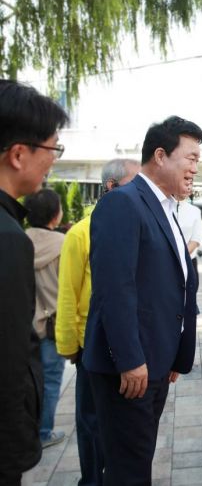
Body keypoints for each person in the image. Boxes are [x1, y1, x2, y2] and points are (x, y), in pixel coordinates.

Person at [83, 116, 202, 484]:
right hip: (130, 369)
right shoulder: (123, 203)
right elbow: (115, 288)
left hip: (155, 363)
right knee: (129, 470)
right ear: (160, 155)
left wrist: (172, 354)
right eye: (191, 158)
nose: (195, 169)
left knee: (135, 462)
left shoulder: (168, 208)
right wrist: (130, 359)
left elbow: (172, 285)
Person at [56, 158, 140, 486]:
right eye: (134, 185)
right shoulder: (80, 233)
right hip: (89, 348)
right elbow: (68, 294)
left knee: (121, 428)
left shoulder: (136, 228)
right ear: (112, 188)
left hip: (127, 347)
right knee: (92, 425)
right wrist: (70, 347)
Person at [0, 80, 68, 485]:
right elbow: (7, 365)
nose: (54, 162)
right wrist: (16, 456)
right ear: (19, 154)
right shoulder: (9, 239)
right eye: (53, 149)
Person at [24, 189, 66, 449]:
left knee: (27, 381)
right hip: (52, 326)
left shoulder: (20, 240)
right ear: (55, 214)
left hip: (24, 327)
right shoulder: (63, 244)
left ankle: (28, 430)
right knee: (50, 380)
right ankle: (44, 432)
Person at [176, 196, 202, 289]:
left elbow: (195, 239)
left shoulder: (195, 211)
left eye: (190, 182)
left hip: (189, 260)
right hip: (165, 262)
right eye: (185, 180)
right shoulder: (161, 207)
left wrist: (180, 257)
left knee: (190, 294)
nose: (188, 185)